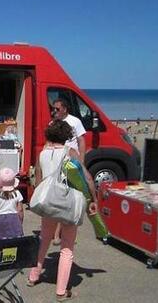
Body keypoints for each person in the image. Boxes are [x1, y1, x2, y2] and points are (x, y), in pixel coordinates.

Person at [28, 120, 97, 302]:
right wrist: (93, 199)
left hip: (48, 204)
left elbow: (38, 180)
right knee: (67, 247)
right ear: (66, 136)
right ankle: (61, 290)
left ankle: (34, 275)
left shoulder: (42, 154)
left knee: (44, 240)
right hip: (66, 204)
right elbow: (87, 178)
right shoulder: (69, 152)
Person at [51, 98, 87, 245]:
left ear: (65, 109)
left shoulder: (75, 121)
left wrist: (82, 161)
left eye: (57, 109)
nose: (54, 111)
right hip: (58, 164)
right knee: (58, 196)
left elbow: (82, 141)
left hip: (71, 163)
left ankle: (57, 234)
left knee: (67, 196)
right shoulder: (53, 123)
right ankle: (57, 231)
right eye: (53, 109)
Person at [0, 168, 24, 239]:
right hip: (14, 218)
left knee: (0, 239)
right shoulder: (17, 193)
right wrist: (20, 221)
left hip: (0, 219)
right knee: (15, 239)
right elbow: (20, 209)